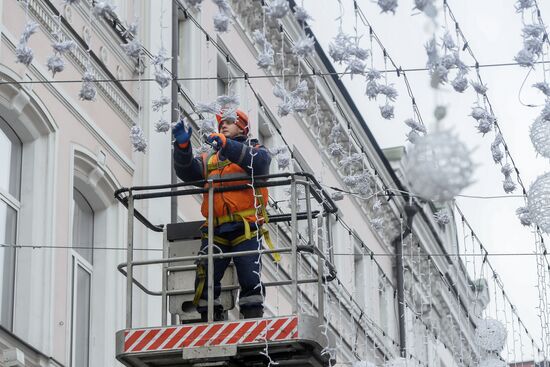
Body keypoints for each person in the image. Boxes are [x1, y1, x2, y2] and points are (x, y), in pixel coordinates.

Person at [172, 109, 272, 321]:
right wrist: (182, 147)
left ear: (243, 127)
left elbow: (261, 163)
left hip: (246, 226)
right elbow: (188, 172)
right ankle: (209, 317)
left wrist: (228, 145)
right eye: (220, 124)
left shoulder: (254, 150)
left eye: (228, 122)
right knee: (206, 275)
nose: (223, 126)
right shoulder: (210, 159)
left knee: (249, 274)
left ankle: (252, 317)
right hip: (215, 230)